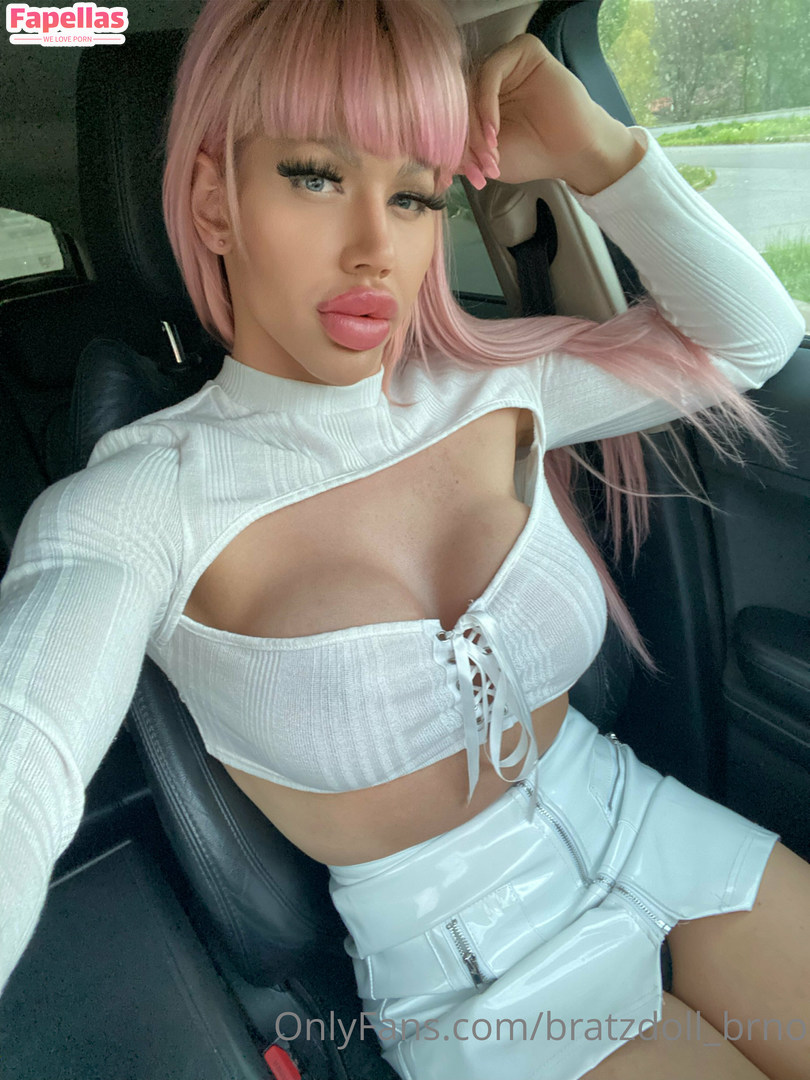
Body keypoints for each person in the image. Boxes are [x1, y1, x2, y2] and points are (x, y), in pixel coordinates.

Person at [0, 1, 807, 1077]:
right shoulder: (138, 507)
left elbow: (754, 342)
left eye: (415, 193)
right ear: (213, 201)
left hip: (644, 819)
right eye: (315, 176)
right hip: (473, 968)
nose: (376, 249)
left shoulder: (494, 387)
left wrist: (599, 153)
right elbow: (21, 768)